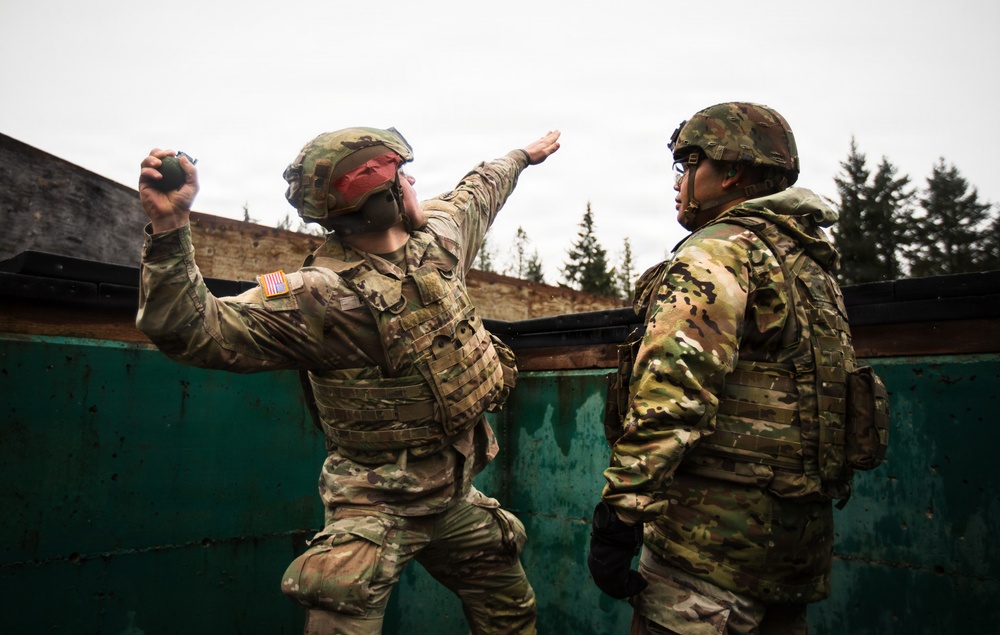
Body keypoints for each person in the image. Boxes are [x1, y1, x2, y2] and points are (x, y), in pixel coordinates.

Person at [136, 126, 561, 634]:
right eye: (402, 177)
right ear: (382, 203)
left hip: (454, 496)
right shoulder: (318, 296)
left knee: (511, 614)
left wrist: (522, 156)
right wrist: (170, 226)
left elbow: (480, 188)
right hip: (373, 511)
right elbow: (189, 328)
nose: (413, 183)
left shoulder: (441, 241)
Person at [588, 103, 887, 634]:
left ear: (729, 173)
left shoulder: (720, 252)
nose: (679, 181)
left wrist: (622, 515)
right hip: (791, 557)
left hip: (706, 558)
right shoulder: (810, 263)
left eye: (690, 164)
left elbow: (674, 391)